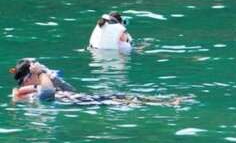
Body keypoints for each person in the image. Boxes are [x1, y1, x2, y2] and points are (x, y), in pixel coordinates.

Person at [10, 58, 183, 106]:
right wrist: (40, 72)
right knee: (126, 102)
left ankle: (167, 100)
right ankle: (167, 104)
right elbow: (47, 95)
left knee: (127, 96)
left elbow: (72, 90)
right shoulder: (26, 94)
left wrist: (50, 75)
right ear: (28, 77)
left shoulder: (41, 82)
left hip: (84, 98)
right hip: (86, 103)